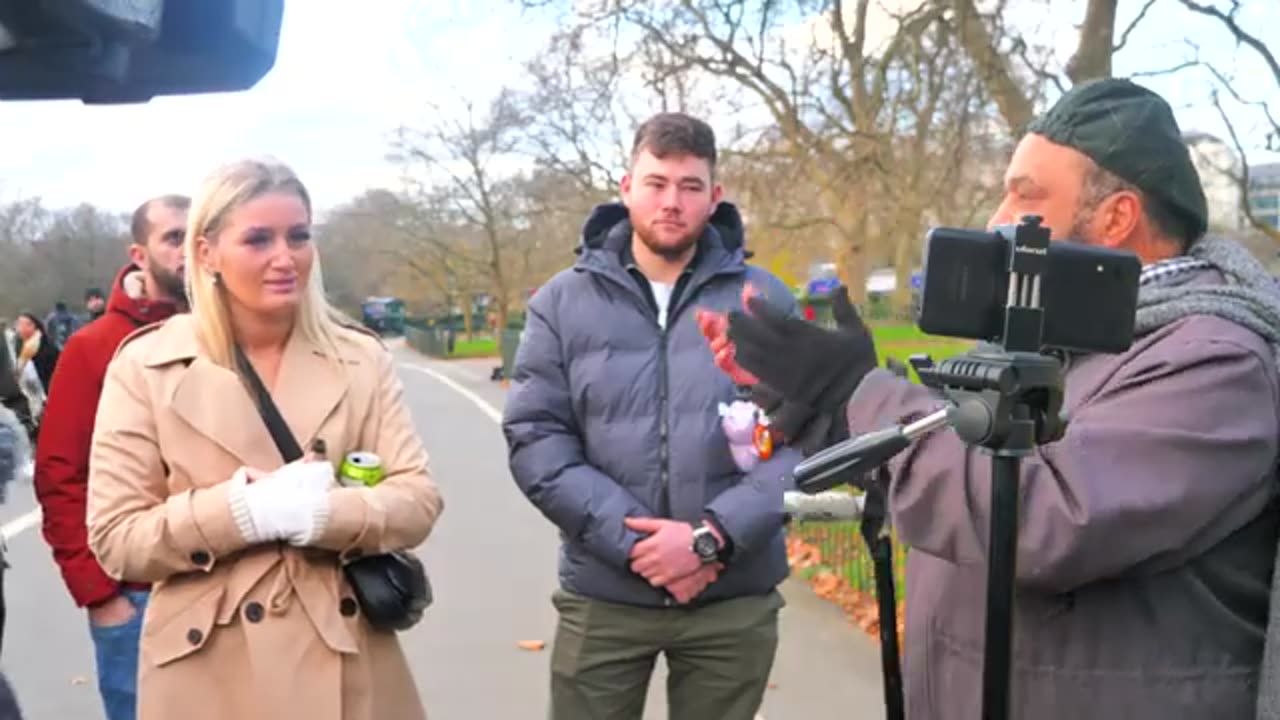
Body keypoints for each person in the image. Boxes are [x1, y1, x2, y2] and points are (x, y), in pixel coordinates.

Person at [705, 77, 1280, 719]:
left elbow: (1042, 518)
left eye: (1024, 196)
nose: (997, 221)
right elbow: (954, 461)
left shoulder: (1216, 361)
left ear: (1116, 217)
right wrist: (823, 411)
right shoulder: (1057, 343)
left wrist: (856, 392)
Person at [85, 157, 443, 720]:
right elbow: (116, 537)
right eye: (258, 239)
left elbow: (417, 501)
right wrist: (242, 513)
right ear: (207, 254)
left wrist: (325, 515)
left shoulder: (359, 358)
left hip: (346, 649)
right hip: (207, 670)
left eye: (298, 236)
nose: (285, 258)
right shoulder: (145, 366)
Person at [502, 111, 801, 720]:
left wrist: (709, 539)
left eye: (690, 187)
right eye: (656, 183)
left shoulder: (764, 299)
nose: (672, 202)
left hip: (732, 594)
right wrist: (639, 544)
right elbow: (537, 438)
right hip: (607, 594)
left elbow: (805, 438)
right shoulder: (562, 302)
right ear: (626, 187)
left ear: (714, 197)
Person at [33, 193, 190, 720]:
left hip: (238, 589)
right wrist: (99, 594)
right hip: (138, 597)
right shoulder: (93, 347)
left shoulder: (236, 334)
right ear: (139, 254)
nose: (189, 250)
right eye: (173, 237)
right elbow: (60, 475)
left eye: (199, 236)